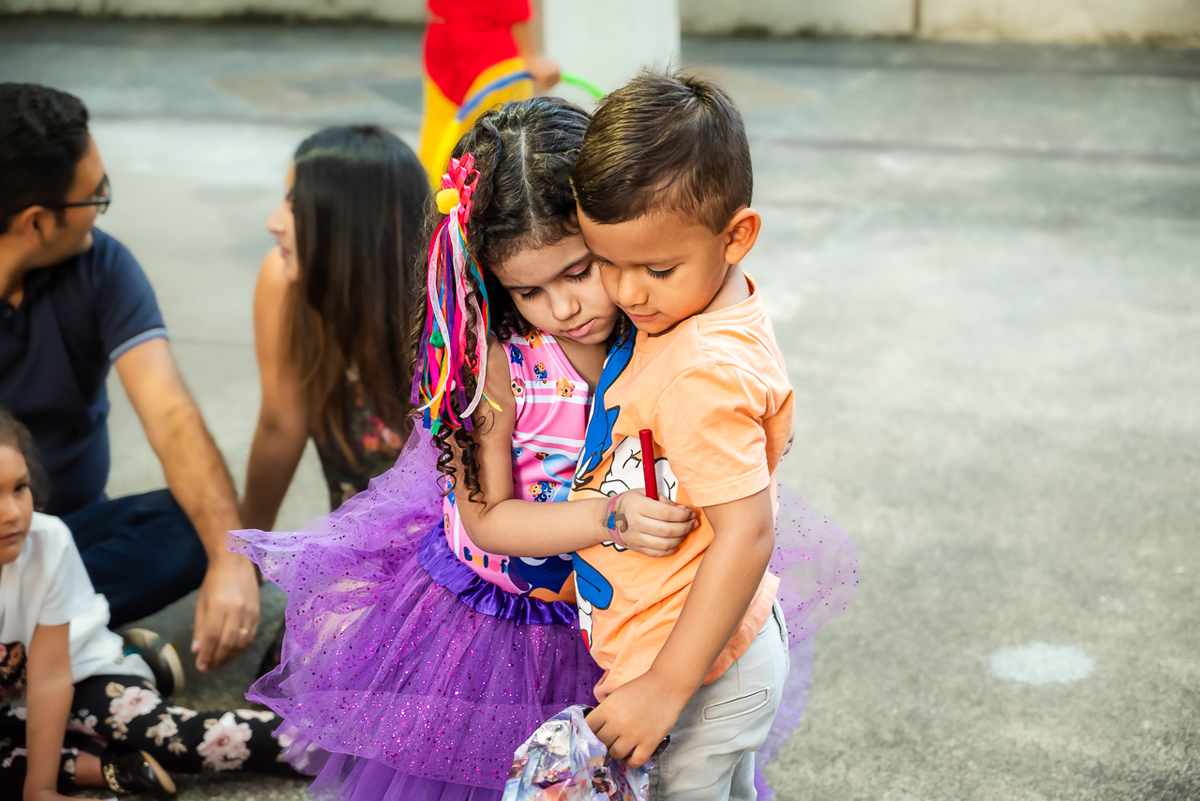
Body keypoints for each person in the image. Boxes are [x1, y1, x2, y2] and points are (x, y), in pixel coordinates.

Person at [229, 97, 697, 801]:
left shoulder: (658, 322)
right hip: (499, 625)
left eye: (579, 271)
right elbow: (487, 518)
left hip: (630, 617)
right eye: (529, 289)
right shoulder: (494, 360)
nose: (564, 307)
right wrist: (610, 517)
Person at [561, 70, 848, 799]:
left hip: (700, 674)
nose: (627, 293)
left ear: (737, 236)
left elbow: (747, 533)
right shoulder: (711, 300)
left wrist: (664, 686)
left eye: (656, 268)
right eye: (606, 262)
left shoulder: (700, 372)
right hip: (720, 649)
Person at [0, 83, 258, 678]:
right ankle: (81, 649)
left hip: (69, 537)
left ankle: (44, 646)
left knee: (192, 529)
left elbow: (169, 412)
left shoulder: (103, 265)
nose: (102, 206)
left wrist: (230, 561)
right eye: (94, 195)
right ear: (37, 222)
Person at [0, 409, 295, 801]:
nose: (13, 513)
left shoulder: (48, 542)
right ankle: (99, 764)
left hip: (78, 673)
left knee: (179, 738)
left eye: (19, 488)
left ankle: (340, 737)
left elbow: (51, 677)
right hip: (11, 703)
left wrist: (40, 788)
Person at [242, 125, 429, 528]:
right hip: (352, 548)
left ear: (349, 225)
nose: (273, 222)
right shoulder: (285, 280)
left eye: (297, 204)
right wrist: (242, 551)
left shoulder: (448, 312)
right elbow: (280, 427)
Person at [418, 0, 560, 186]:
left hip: (443, 42)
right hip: (492, 56)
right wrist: (531, 55)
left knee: (440, 143)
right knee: (506, 149)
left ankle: (430, 198)